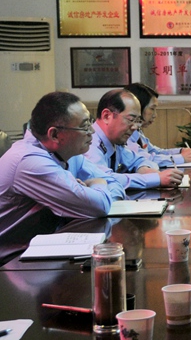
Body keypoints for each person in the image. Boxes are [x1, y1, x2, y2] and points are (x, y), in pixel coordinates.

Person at [0, 92, 125, 241]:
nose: (92, 131)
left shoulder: (68, 152)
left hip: (47, 242)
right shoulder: (30, 162)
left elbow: (114, 184)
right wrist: (98, 183)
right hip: (14, 254)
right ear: (54, 135)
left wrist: (91, 193)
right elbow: (100, 206)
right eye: (85, 126)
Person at [84, 89, 184, 190]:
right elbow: (105, 179)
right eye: (131, 120)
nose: (135, 127)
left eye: (137, 121)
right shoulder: (89, 144)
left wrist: (144, 169)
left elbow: (138, 159)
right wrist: (156, 179)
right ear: (106, 116)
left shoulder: (115, 142)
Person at [123, 83, 191, 167]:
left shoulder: (137, 131)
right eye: (152, 109)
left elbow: (154, 151)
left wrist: (180, 151)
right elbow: (145, 159)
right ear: (137, 107)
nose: (155, 115)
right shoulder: (125, 135)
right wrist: (181, 158)